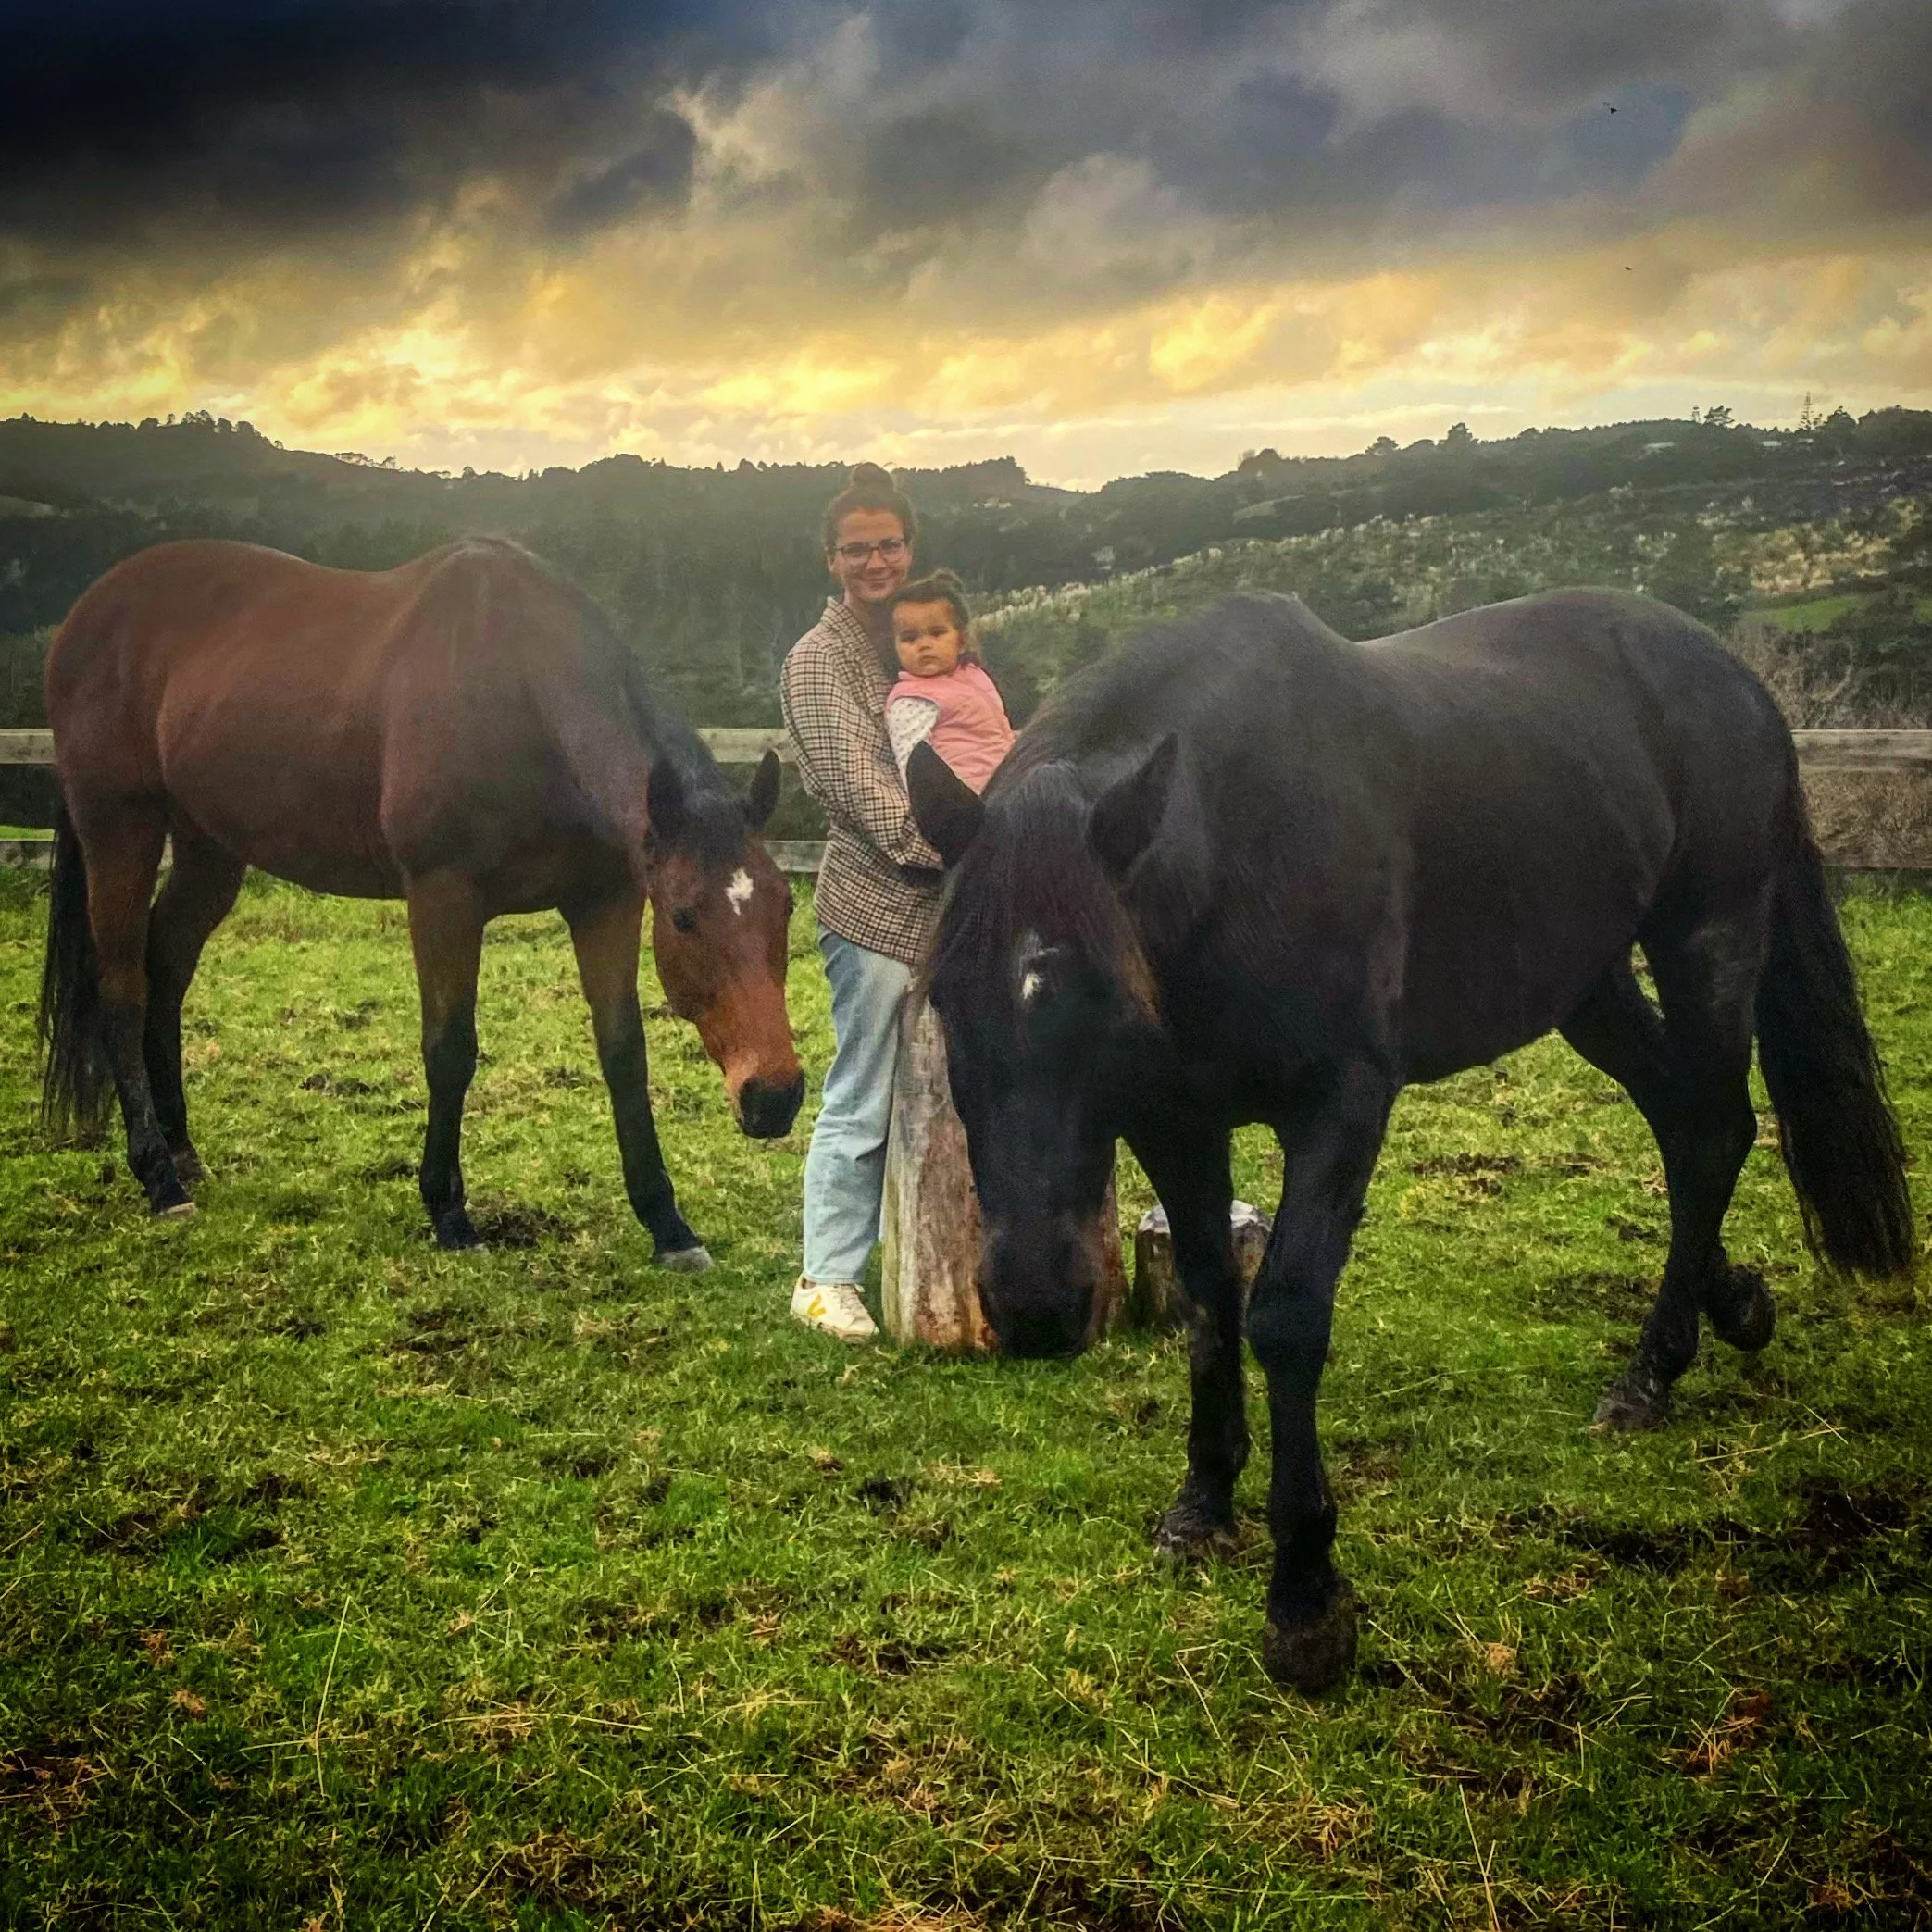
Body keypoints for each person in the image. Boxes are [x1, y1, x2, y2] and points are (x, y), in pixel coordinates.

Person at [779, 464, 944, 1341]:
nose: (875, 560)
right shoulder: (819, 660)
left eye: (888, 543)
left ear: (909, 547)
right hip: (878, 908)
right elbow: (866, 792)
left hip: (954, 905)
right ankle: (825, 1276)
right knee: (866, 1087)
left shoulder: (924, 641)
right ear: (831, 560)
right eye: (857, 548)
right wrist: (972, 850)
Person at [884, 570, 1016, 795]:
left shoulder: (973, 675)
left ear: (962, 640)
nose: (923, 645)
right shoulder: (914, 698)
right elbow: (912, 765)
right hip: (969, 802)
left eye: (936, 633)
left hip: (1008, 784)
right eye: (909, 638)